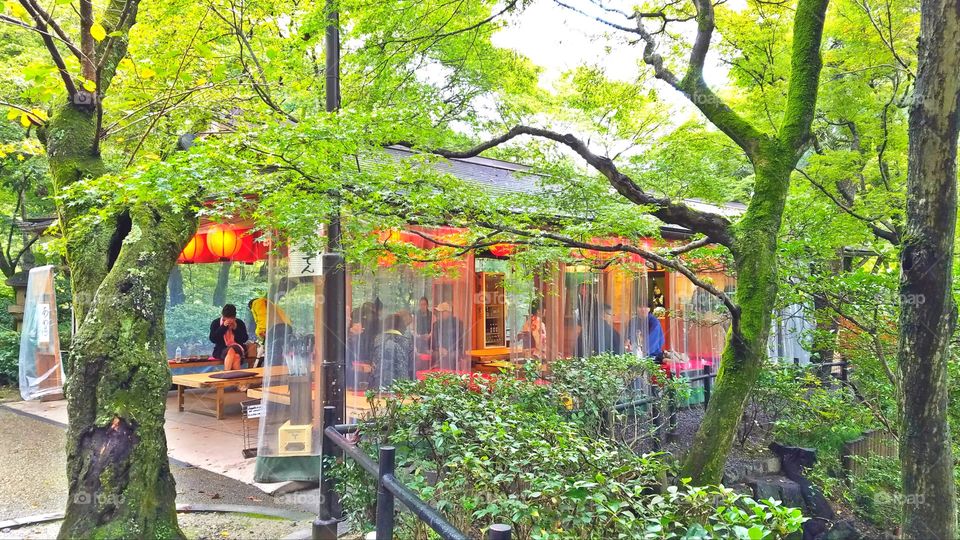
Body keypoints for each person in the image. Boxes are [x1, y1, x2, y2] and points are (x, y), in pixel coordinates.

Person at [371, 314, 415, 390]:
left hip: (378, 385)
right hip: (400, 387)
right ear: (402, 326)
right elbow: (411, 366)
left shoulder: (376, 340)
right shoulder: (407, 342)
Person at [209, 304, 249, 370]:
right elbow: (213, 339)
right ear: (223, 315)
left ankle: (225, 374)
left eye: (232, 318)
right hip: (221, 349)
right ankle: (236, 378)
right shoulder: (216, 323)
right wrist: (223, 327)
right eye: (226, 318)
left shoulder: (239, 323)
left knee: (231, 350)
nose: (229, 320)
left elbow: (244, 339)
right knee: (236, 356)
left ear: (235, 317)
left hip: (238, 347)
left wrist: (235, 328)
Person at [431, 302, 464, 369]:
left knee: (451, 356)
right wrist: (439, 348)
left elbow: (460, 340)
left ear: (448, 312)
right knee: (434, 355)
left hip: (454, 350)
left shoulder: (457, 323)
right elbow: (434, 341)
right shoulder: (436, 324)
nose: (438, 314)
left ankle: (452, 374)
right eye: (438, 312)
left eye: (441, 312)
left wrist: (448, 350)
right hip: (439, 350)